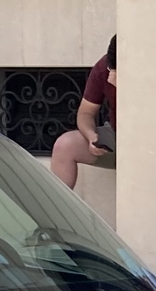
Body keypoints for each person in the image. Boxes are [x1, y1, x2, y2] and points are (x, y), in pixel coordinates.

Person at [49, 38, 114, 189]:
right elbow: (85, 112)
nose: (111, 77)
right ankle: (60, 209)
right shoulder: (103, 68)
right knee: (64, 146)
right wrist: (91, 135)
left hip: (150, 139)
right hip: (115, 135)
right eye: (110, 70)